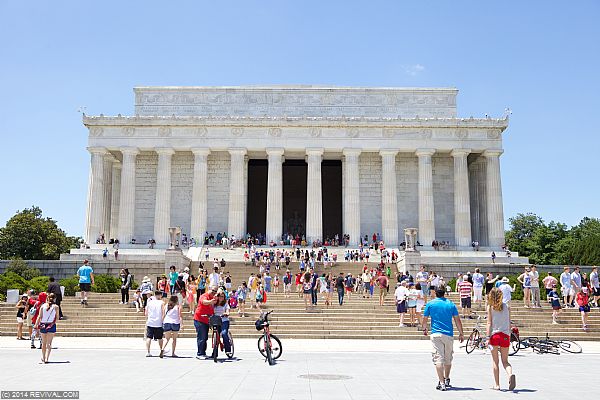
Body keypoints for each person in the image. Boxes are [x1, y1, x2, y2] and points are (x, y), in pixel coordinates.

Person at [422, 286, 464, 391]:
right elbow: (457, 320)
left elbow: (425, 318)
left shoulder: (430, 304)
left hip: (436, 333)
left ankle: (441, 382)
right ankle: (446, 378)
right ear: (444, 293)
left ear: (435, 293)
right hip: (448, 334)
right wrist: (461, 333)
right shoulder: (450, 304)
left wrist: (424, 328)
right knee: (448, 358)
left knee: (438, 358)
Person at [486, 288, 516, 391]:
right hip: (505, 335)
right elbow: (509, 322)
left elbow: (489, 323)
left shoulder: (490, 307)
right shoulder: (507, 306)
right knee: (505, 361)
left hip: (494, 335)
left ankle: (497, 385)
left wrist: (487, 337)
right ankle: (510, 374)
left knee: (495, 361)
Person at [35, 293, 59, 364]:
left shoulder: (43, 306)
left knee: (43, 342)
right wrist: (53, 322)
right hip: (51, 325)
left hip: (43, 324)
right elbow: (57, 318)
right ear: (54, 299)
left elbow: (39, 316)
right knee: (49, 343)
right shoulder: (56, 307)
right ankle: (47, 358)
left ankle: (43, 357)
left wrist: (36, 325)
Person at [194, 287, 217, 359]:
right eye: (212, 290)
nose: (213, 292)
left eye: (215, 291)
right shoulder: (204, 296)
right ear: (209, 289)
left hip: (207, 320)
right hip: (200, 319)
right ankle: (200, 354)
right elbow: (204, 301)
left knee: (205, 337)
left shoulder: (213, 297)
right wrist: (210, 302)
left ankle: (203, 352)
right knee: (202, 337)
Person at [144, 290, 165, 357]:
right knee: (160, 338)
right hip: (158, 322)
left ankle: (148, 352)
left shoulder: (149, 302)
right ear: (159, 295)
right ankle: (161, 350)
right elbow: (163, 312)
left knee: (149, 337)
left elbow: (146, 312)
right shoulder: (162, 302)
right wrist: (162, 320)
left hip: (150, 321)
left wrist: (148, 318)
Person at [214, 289, 233, 357]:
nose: (221, 298)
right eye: (219, 296)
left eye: (222, 296)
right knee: (216, 335)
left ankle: (228, 350)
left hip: (224, 320)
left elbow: (228, 310)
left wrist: (226, 313)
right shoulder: (214, 303)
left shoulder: (225, 304)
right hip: (216, 321)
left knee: (224, 333)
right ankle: (215, 352)